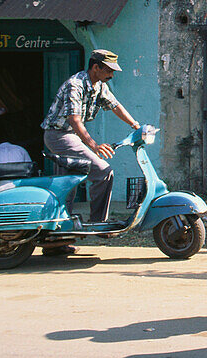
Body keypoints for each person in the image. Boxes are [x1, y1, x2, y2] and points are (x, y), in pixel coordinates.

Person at [40, 49, 140, 253]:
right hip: (59, 136)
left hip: (69, 136)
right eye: (108, 71)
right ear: (96, 67)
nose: (111, 75)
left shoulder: (99, 85)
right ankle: (98, 222)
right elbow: (74, 120)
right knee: (103, 171)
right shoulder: (74, 85)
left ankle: (56, 241)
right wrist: (93, 145)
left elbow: (115, 105)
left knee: (67, 186)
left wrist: (136, 126)